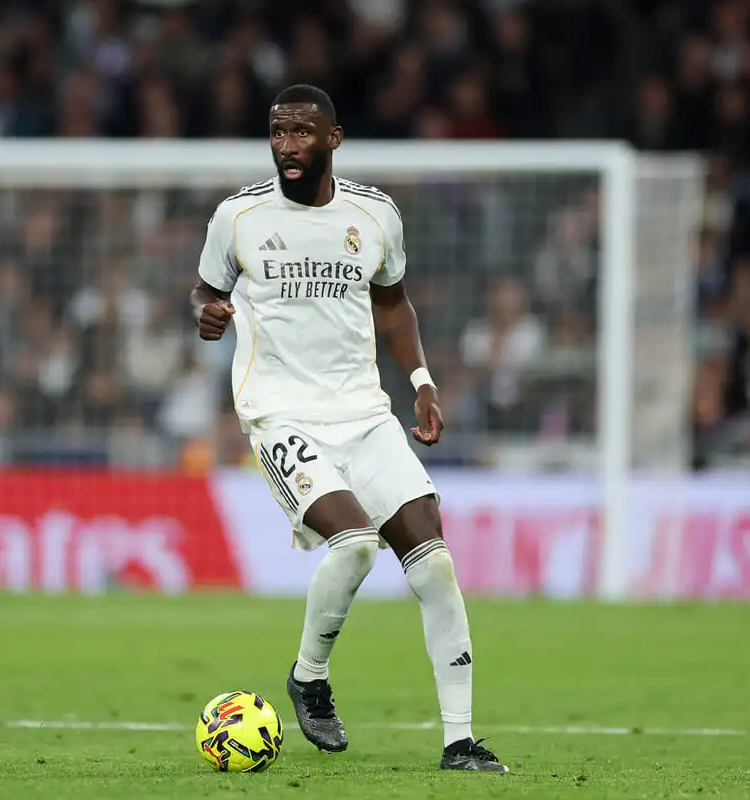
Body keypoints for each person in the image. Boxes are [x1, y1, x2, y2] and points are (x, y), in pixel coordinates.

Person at [190, 84, 507, 773]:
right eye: (278, 132)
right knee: (357, 544)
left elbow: (393, 304)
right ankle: (309, 677)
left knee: (435, 563)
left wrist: (421, 382)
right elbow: (207, 290)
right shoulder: (238, 216)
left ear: (333, 139)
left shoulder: (376, 214)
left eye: (302, 132)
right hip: (280, 413)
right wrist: (206, 314)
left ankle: (459, 742)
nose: (287, 146)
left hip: (364, 414)